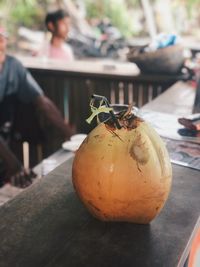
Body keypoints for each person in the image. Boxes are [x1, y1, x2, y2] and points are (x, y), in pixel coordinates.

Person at [0, 26, 75, 188]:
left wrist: (69, 134)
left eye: (1, 37)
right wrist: (14, 165)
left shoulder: (13, 67)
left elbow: (42, 102)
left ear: (5, 40)